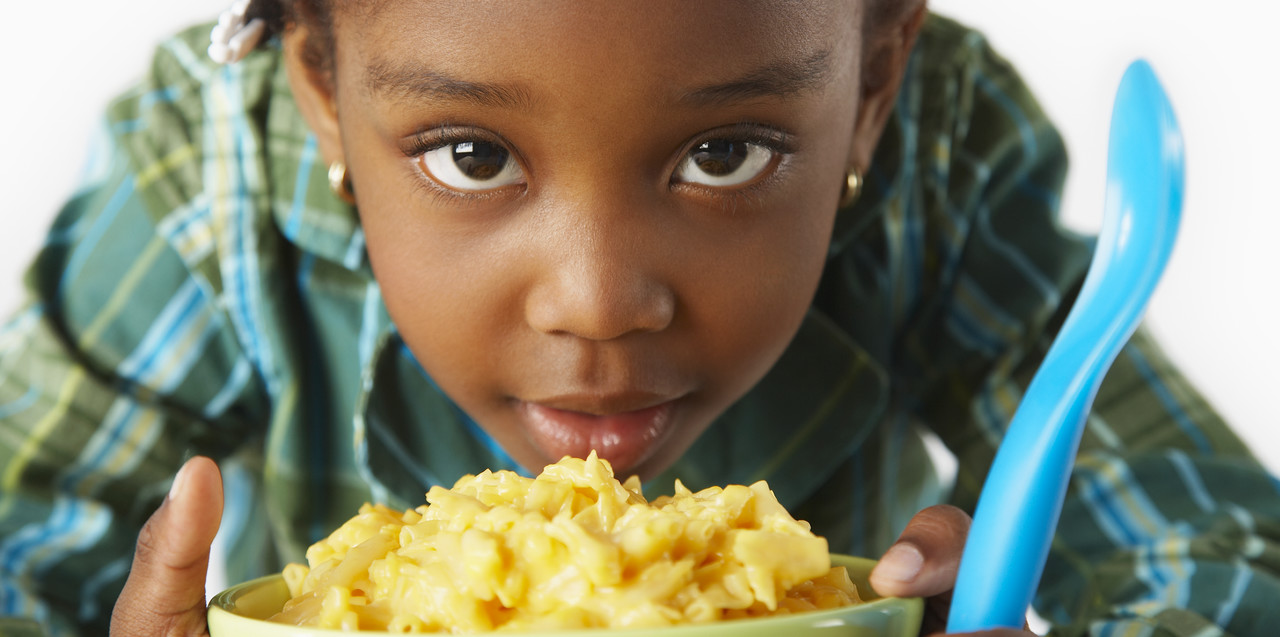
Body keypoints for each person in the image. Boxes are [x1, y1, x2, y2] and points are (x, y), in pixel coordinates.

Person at [0, 0, 1276, 635]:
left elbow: (1205, 545)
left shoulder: (940, 159)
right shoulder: (208, 174)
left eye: (724, 151)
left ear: (873, 86)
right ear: (324, 95)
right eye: (466, 157)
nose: (597, 300)